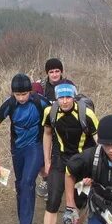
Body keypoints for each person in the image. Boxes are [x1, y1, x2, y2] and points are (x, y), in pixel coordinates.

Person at [0, 73, 49, 224]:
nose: (21, 98)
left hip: (35, 147)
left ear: (30, 91)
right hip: (17, 149)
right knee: (20, 185)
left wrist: (47, 161)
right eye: (17, 95)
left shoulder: (40, 102)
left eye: (24, 94)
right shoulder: (10, 104)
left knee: (28, 182)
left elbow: (53, 129)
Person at [36, 83, 99, 224]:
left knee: (80, 202)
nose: (64, 101)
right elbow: (47, 134)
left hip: (82, 161)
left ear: (73, 97)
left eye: (68, 97)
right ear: (56, 98)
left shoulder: (86, 114)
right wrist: (47, 161)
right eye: (61, 98)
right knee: (53, 201)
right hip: (60, 161)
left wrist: (96, 170)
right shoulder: (50, 112)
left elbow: (100, 142)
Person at [32, 58, 75, 199]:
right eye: (51, 71)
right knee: (41, 158)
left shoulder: (68, 85)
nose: (55, 74)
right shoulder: (41, 87)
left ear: (61, 72)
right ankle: (46, 179)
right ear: (47, 73)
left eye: (57, 71)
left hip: (65, 128)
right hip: (45, 126)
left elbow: (77, 103)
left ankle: (66, 183)